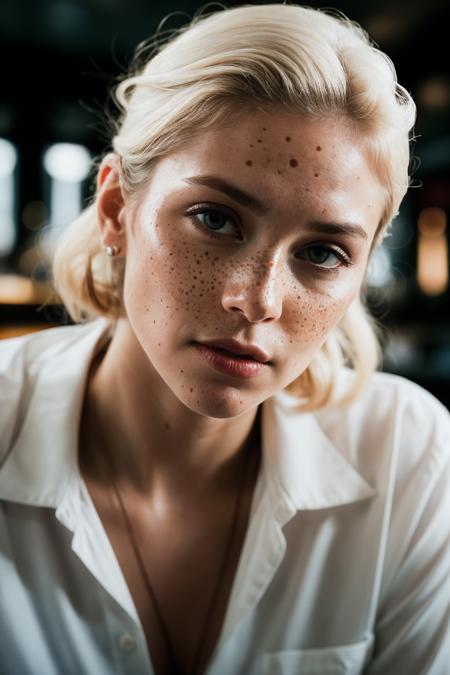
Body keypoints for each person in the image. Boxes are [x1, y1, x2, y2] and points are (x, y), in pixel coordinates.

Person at [0, 4, 449, 674]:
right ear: (118, 208)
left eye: (323, 253)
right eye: (216, 218)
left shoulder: (407, 455)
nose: (258, 299)